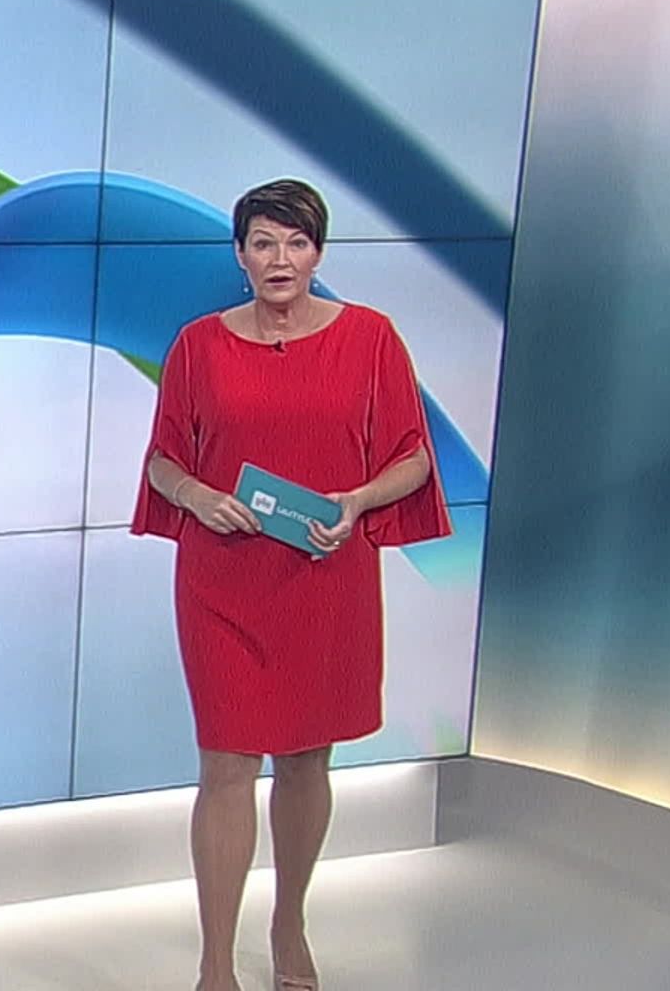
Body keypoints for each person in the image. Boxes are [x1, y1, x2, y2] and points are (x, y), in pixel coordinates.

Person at [131, 179, 451, 991]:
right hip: (223, 584)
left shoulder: (371, 338)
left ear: (319, 252)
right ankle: (215, 965)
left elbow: (413, 458)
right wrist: (197, 495)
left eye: (297, 242)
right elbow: (163, 461)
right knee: (226, 765)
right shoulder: (199, 345)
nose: (280, 259)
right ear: (239, 255)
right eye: (264, 242)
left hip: (324, 575)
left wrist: (359, 500)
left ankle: (289, 924)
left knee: (308, 761)